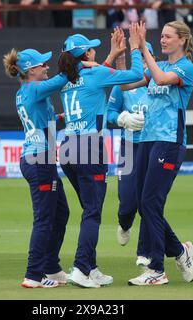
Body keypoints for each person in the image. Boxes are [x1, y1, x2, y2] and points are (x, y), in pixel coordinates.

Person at [57, 24, 145, 288]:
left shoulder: (68, 76)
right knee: (93, 211)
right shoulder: (96, 74)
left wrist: (110, 54)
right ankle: (82, 269)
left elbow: (95, 75)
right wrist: (136, 47)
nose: (95, 51)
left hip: (68, 147)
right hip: (89, 147)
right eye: (91, 49)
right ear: (86, 54)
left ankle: (91, 267)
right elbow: (136, 73)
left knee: (88, 208)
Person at [120, 21, 193, 286]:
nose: (162, 40)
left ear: (182, 40)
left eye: (167, 36)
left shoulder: (185, 68)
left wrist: (143, 47)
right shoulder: (159, 65)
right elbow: (127, 84)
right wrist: (126, 53)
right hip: (148, 141)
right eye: (160, 36)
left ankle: (157, 269)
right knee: (145, 204)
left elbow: (162, 80)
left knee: (151, 202)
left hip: (169, 142)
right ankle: (179, 251)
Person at [3, 48, 70, 288]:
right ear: (31, 69)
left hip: (38, 159)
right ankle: (33, 274)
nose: (47, 67)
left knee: (61, 213)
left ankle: (50, 267)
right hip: (39, 160)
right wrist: (76, 62)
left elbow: (49, 122)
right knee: (44, 219)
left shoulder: (27, 92)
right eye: (43, 64)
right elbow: (62, 79)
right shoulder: (33, 89)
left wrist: (68, 116)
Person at [107, 40, 155, 268]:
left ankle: (145, 252)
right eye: (142, 58)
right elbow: (109, 113)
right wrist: (122, 118)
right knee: (127, 202)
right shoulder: (124, 83)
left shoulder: (158, 82)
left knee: (149, 201)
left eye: (147, 58)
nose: (144, 63)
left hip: (152, 145)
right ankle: (125, 224)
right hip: (128, 148)